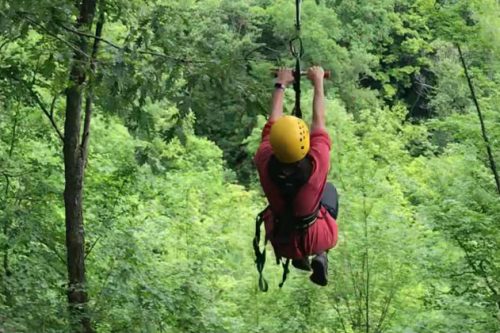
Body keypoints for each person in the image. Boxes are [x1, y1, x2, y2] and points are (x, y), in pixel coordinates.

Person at [254, 66, 339, 286]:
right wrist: (318, 81)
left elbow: (272, 121)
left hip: (282, 237)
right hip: (316, 235)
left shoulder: (264, 160)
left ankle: (299, 256)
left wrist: (281, 84)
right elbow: (318, 120)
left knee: (290, 206)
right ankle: (320, 254)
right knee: (329, 191)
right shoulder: (316, 163)